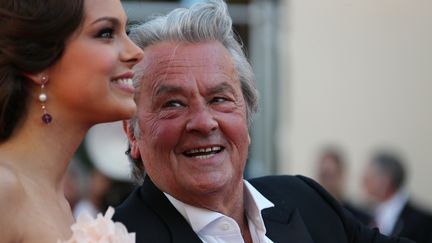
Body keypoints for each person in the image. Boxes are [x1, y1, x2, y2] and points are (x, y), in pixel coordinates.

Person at [114, 0, 414, 242]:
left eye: (219, 99)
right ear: (132, 133)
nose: (204, 123)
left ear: (247, 112)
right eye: (174, 104)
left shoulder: (306, 201)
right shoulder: (117, 237)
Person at [0, 0, 143, 242]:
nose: (136, 52)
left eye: (125, 32)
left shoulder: (57, 202)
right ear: (38, 60)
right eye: (106, 33)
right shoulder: (4, 189)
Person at [363, 151, 432, 243]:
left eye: (369, 177)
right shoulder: (366, 213)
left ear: (384, 181)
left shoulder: (422, 221)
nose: (364, 182)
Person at [316, 147, 372, 225]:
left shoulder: (359, 218)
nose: (327, 182)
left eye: (331, 175)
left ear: (342, 174)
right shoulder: (308, 213)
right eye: (324, 175)